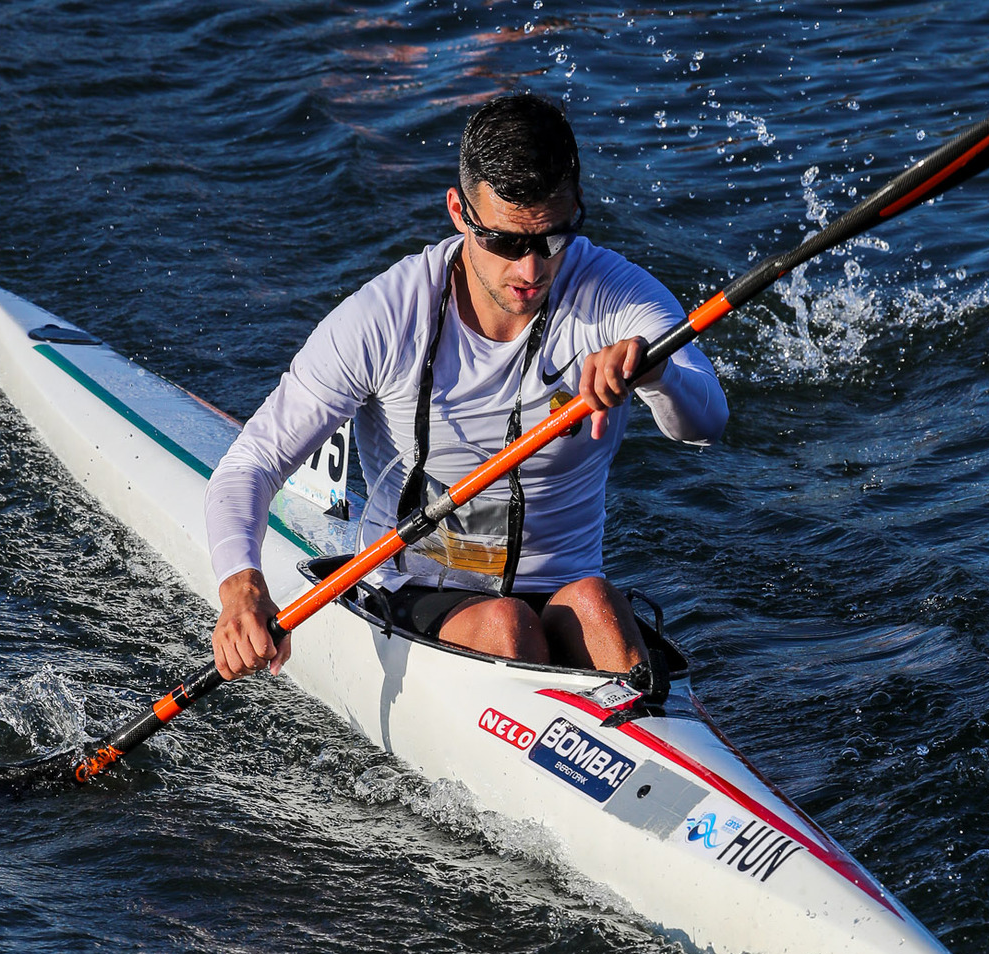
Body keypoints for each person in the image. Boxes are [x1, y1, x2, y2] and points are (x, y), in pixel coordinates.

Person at [205, 93, 727, 682]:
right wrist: (241, 584)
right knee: (508, 625)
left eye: (551, 239)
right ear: (459, 211)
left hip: (564, 593)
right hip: (415, 586)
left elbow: (707, 422)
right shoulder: (386, 316)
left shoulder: (617, 298)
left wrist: (654, 375)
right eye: (506, 242)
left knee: (596, 605)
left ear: (576, 208)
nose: (530, 270)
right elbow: (251, 462)